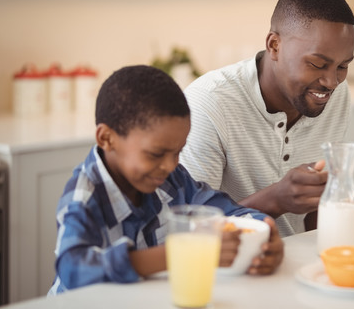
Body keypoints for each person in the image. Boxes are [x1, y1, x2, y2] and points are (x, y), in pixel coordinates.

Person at [48, 65, 284, 295]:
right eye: (155, 154)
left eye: (177, 152)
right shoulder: (84, 195)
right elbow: (73, 268)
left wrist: (264, 233)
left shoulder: (171, 178)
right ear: (107, 138)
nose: (170, 165)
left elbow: (226, 212)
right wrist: (178, 253)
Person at [180, 0, 354, 237]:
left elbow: (317, 213)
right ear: (274, 45)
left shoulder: (337, 96)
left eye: (342, 66)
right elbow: (189, 227)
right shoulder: (209, 103)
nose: (331, 82)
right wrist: (275, 200)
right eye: (318, 64)